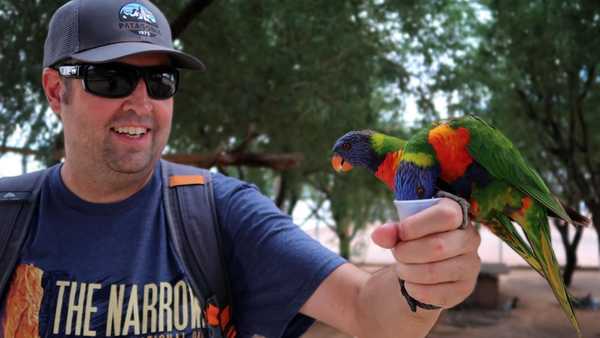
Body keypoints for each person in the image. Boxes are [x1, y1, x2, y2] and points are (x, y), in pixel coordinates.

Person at [0, 0, 481, 337]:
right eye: (112, 78)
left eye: (160, 80)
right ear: (55, 91)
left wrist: (422, 285)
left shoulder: (219, 211)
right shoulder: (8, 217)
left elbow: (368, 312)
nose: (141, 103)